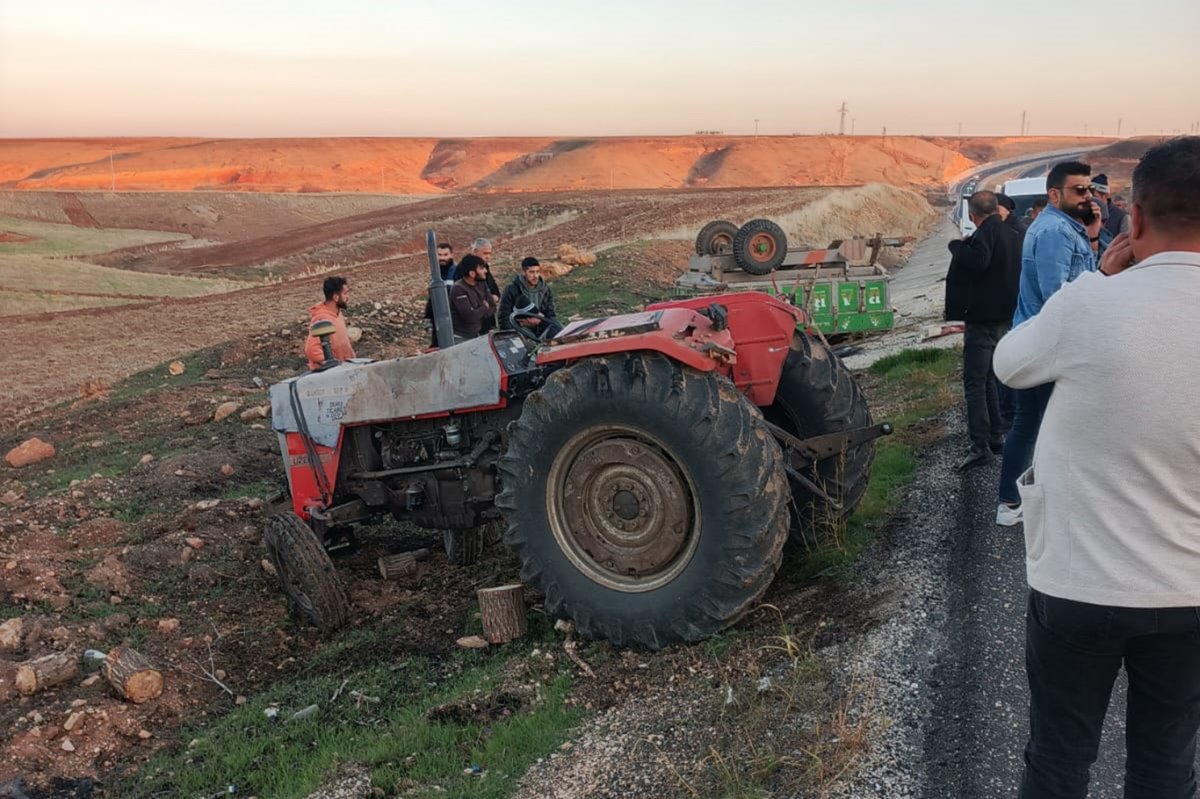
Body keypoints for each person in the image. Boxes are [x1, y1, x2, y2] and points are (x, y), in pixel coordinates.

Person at [993, 136, 1200, 799]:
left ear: (1132, 220)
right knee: (1166, 767)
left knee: (1058, 758)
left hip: (1077, 584)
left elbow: (1010, 363)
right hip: (1189, 589)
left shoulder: (1090, 302)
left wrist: (1098, 279)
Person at [995, 161, 1104, 526]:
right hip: (1049, 342)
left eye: (1088, 189)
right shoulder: (1056, 231)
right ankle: (1011, 503)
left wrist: (1092, 235)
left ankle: (1018, 500)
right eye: (1079, 190)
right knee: (1033, 424)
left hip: (1044, 338)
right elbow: (1057, 296)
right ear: (1055, 194)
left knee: (1035, 423)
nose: (1087, 196)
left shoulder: (1063, 227)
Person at [944, 191, 1022, 470]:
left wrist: (956, 246)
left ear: (974, 216)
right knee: (989, 379)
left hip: (983, 321)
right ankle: (994, 438)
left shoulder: (985, 234)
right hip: (1005, 317)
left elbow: (978, 262)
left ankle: (980, 447)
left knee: (974, 383)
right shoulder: (1012, 234)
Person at [498, 257, 562, 339]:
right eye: (531, 272)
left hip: (540, 326)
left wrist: (542, 321)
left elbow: (550, 314)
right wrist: (514, 333)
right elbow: (504, 317)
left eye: (537, 272)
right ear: (524, 272)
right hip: (520, 328)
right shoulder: (512, 290)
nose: (535, 276)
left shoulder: (545, 290)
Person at [304, 276, 355, 370]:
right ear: (336, 297)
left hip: (345, 370)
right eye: (345, 293)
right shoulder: (322, 318)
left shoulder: (337, 313)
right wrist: (333, 363)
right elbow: (311, 350)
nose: (348, 297)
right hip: (332, 375)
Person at [448, 254, 497, 340]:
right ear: (472, 273)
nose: (485, 271)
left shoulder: (482, 284)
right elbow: (469, 317)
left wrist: (477, 311)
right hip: (460, 338)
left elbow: (493, 307)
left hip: (476, 334)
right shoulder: (458, 289)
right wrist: (484, 307)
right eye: (481, 268)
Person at [424, 242, 457, 347]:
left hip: (452, 314)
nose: (442, 258)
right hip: (437, 313)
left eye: (445, 255)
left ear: (451, 255)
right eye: (440, 255)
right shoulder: (435, 272)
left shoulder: (456, 271)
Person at [468, 238, 502, 334]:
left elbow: (493, 287)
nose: (488, 256)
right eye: (485, 253)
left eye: (489, 253)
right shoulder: (465, 269)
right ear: (475, 251)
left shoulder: (485, 268)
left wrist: (496, 296)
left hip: (488, 318)